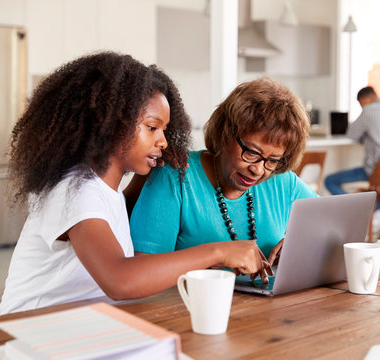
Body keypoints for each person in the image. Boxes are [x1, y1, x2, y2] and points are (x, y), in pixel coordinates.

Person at [0, 52, 270, 315]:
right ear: (110, 123)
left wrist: (145, 177)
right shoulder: (73, 190)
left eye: (164, 130)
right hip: (28, 331)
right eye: (152, 127)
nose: (163, 141)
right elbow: (119, 279)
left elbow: (113, 224)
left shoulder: (104, 188)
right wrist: (219, 251)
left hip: (82, 327)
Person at [130, 77, 318, 281]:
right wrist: (215, 254)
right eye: (252, 152)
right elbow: (142, 272)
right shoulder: (176, 175)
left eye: (273, 160)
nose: (258, 169)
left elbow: (337, 226)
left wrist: (304, 241)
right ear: (225, 133)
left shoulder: (283, 182)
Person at [324, 86, 380, 232]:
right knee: (378, 187)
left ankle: (368, 213)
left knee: (330, 180)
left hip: (379, 173)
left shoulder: (369, 111)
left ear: (367, 100)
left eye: (361, 104)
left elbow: (351, 135)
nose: (362, 108)